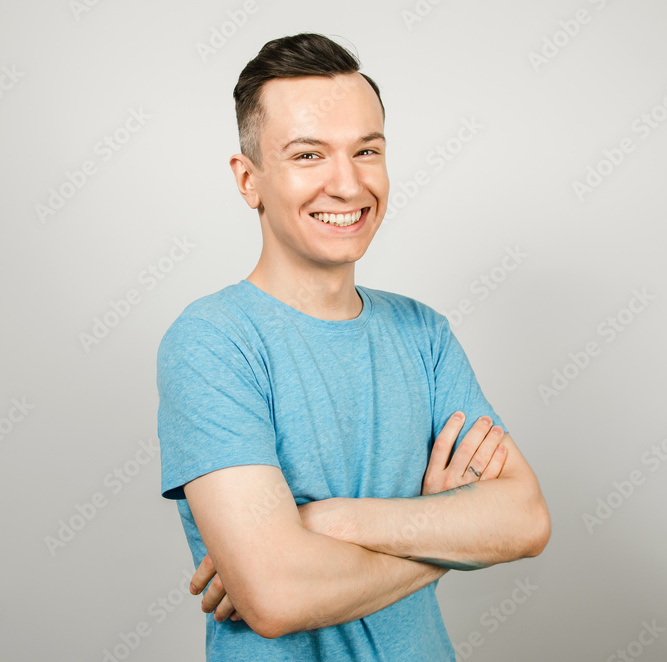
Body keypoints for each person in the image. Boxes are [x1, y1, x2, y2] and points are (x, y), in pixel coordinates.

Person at [156, 32, 550, 661]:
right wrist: (444, 531)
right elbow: (278, 596)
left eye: (366, 150)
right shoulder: (212, 342)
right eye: (308, 155)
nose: (346, 184)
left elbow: (525, 520)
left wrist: (326, 521)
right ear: (249, 179)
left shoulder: (423, 334)